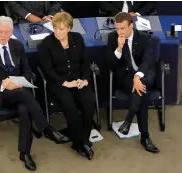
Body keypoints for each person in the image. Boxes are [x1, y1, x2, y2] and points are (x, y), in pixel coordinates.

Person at [0, 16, 69, 171]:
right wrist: (3, 84)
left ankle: (24, 153)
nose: (3, 35)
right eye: (0, 32)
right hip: (0, 94)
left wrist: (18, 82)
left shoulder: (18, 45)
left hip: (18, 90)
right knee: (25, 95)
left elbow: (27, 71)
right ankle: (46, 128)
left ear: (12, 31)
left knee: (24, 109)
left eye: (7, 32)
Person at [38, 12, 95, 160]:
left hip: (77, 80)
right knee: (69, 104)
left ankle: (85, 138)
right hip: (58, 83)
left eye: (61, 29)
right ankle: (78, 143)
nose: (57, 32)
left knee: (89, 102)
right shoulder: (46, 43)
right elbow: (48, 70)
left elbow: (85, 62)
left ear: (69, 28)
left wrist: (85, 79)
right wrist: (65, 83)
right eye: (55, 28)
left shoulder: (77, 38)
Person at [106, 12, 159, 153]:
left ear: (131, 26)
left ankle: (128, 120)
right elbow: (110, 65)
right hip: (126, 77)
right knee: (143, 92)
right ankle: (145, 136)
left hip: (145, 73)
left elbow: (148, 61)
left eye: (122, 28)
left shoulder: (145, 38)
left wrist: (137, 77)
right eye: (117, 28)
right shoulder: (113, 38)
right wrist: (118, 49)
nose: (119, 32)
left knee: (142, 85)